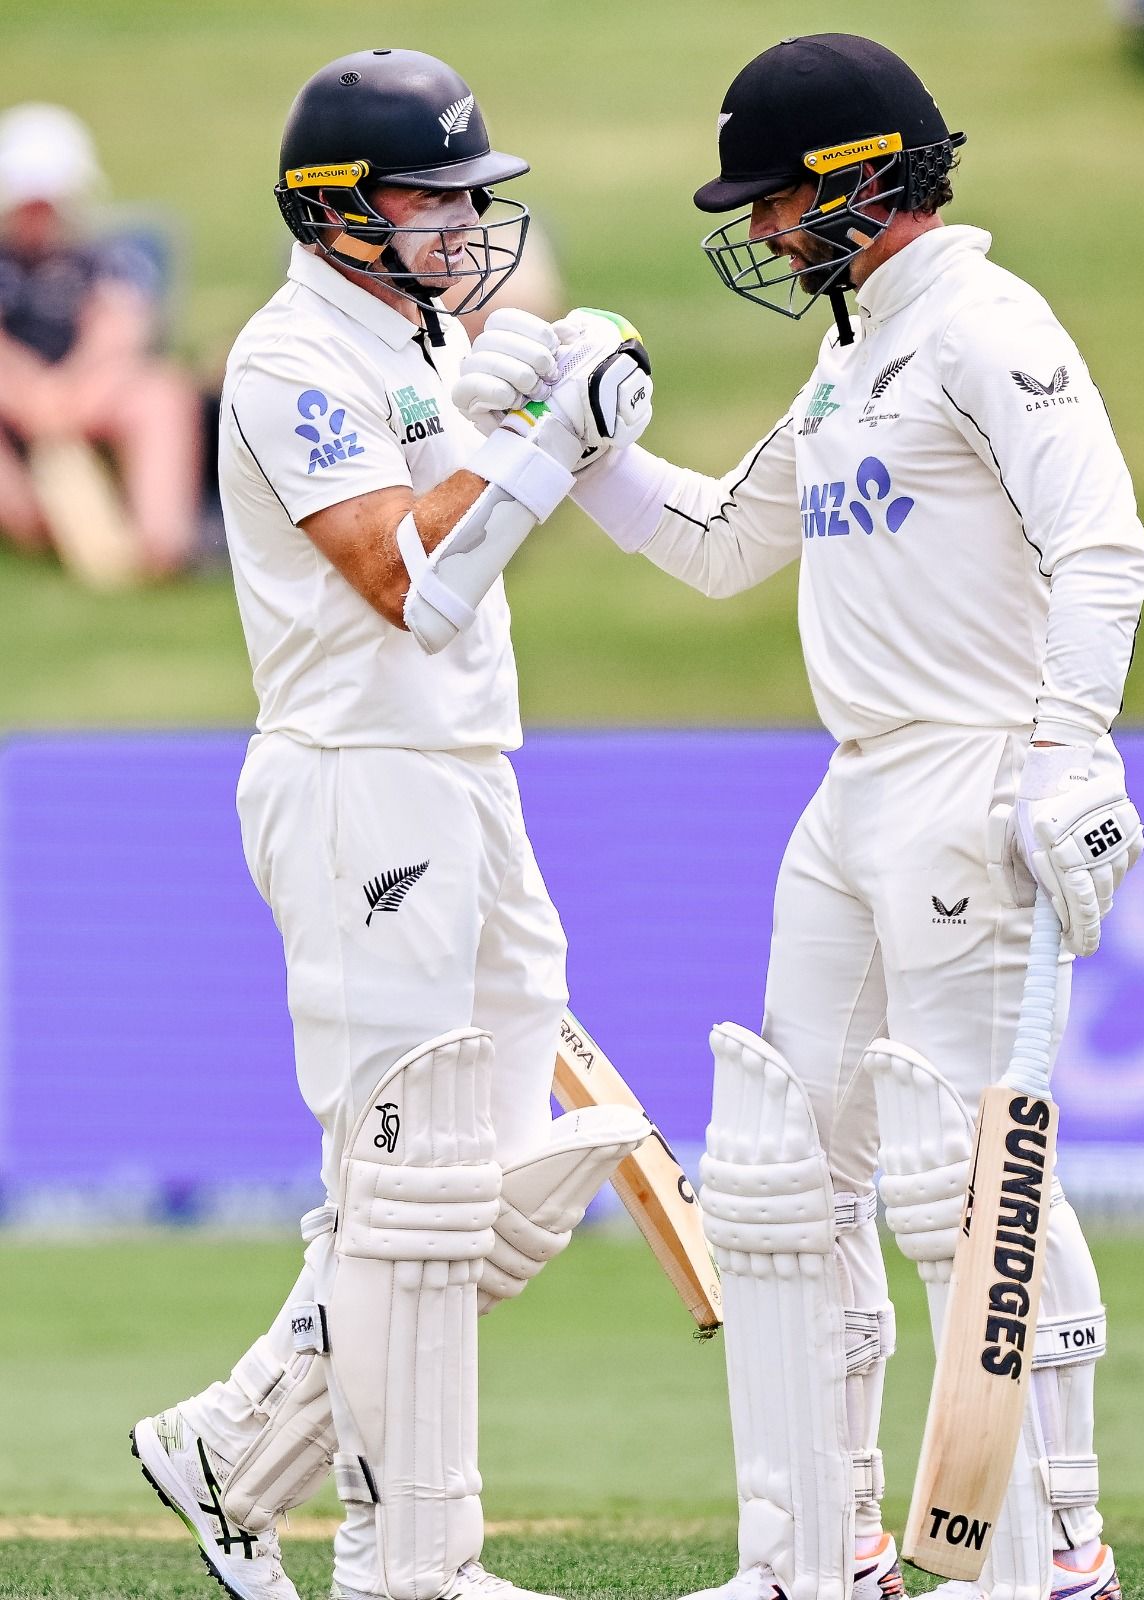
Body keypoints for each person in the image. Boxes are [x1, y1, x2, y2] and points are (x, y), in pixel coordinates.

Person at [455, 33, 1144, 1600]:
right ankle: (817, 1552)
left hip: (974, 776)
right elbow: (714, 543)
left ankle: (1057, 1550)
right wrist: (575, 440)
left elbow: (1103, 551)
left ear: (865, 182)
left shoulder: (984, 326)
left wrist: (1066, 753)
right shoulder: (852, 351)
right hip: (854, 792)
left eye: (778, 201)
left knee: (971, 1181)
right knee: (790, 1173)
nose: (763, 234)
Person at [129, 48, 654, 1600]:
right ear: (340, 208)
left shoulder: (415, 343)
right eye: (433, 197)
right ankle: (405, 1558)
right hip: (362, 776)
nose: (463, 225)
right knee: (409, 1187)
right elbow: (408, 584)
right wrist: (546, 438)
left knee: (494, 1194)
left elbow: (452, 513)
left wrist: (497, 397)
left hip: (467, 772)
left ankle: (237, 1448)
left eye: (469, 198)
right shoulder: (292, 357)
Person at [0, 102, 201, 577]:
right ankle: (33, 524)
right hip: (15, 398)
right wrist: (30, 395)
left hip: (90, 392)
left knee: (162, 396)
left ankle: (161, 541)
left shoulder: (107, 256)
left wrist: (69, 393)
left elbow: (119, 331)